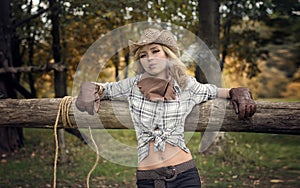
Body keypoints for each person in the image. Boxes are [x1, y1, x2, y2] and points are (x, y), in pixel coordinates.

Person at [75, 28, 256, 188]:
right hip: (148, 178)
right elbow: (104, 88)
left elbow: (214, 91)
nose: (150, 58)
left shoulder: (187, 86)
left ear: (167, 54)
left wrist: (238, 92)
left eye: (155, 51)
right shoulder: (131, 86)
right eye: (143, 55)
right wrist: (90, 88)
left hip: (185, 175)